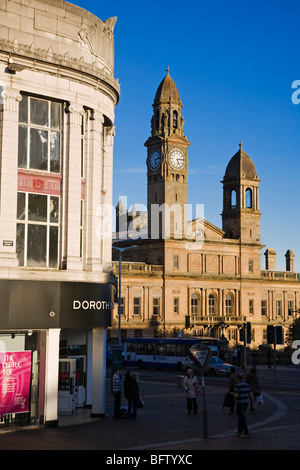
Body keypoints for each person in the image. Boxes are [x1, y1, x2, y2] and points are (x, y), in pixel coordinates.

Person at [234, 373, 254, 438]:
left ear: (237, 378)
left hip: (240, 403)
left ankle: (246, 432)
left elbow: (236, 395)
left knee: (242, 417)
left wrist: (232, 393)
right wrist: (253, 402)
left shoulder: (237, 385)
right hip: (246, 402)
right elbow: (251, 394)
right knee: (241, 416)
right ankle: (240, 430)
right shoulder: (247, 385)